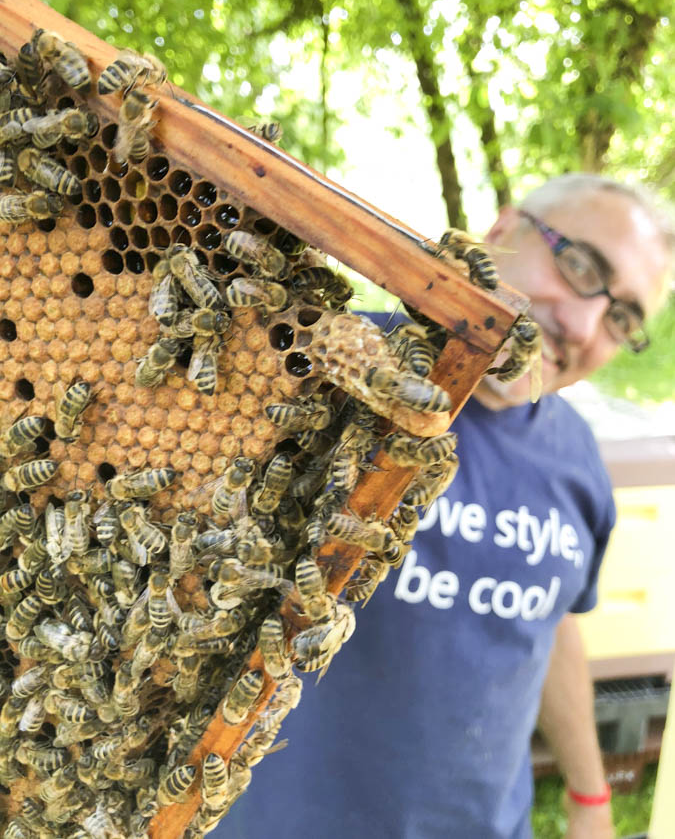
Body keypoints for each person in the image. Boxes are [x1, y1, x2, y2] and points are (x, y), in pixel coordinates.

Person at [216, 174, 671, 839]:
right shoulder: (315, 374)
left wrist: (588, 796)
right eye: (578, 265)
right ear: (498, 233)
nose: (581, 323)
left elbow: (545, 615)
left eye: (622, 317)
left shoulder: (577, 460)